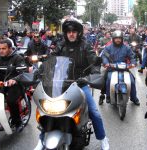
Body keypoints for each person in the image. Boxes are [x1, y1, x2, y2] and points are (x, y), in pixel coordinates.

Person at [34, 19, 109, 150]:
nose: (71, 34)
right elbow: (51, 59)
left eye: (74, 31)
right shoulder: (61, 46)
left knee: (94, 112)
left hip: (80, 84)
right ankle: (42, 139)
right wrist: (39, 72)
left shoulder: (85, 46)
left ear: (79, 33)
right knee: (46, 111)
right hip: (60, 84)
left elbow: (93, 62)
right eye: (69, 32)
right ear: (66, 33)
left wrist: (93, 75)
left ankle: (102, 138)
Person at [0, 39, 26, 132]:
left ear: (10, 48)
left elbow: (23, 73)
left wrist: (14, 80)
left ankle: (17, 122)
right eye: (0, 48)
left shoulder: (18, 58)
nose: (1, 50)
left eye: (4, 48)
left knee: (11, 101)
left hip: (14, 85)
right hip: (1, 84)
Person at [101, 30, 140, 105]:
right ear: (113, 39)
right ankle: (108, 96)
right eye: (116, 38)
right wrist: (106, 63)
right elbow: (104, 56)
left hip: (124, 68)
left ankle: (134, 97)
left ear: (122, 39)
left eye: (119, 38)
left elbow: (132, 56)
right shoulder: (108, 47)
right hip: (112, 68)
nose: (118, 40)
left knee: (132, 81)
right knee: (107, 79)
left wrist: (133, 63)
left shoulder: (127, 48)